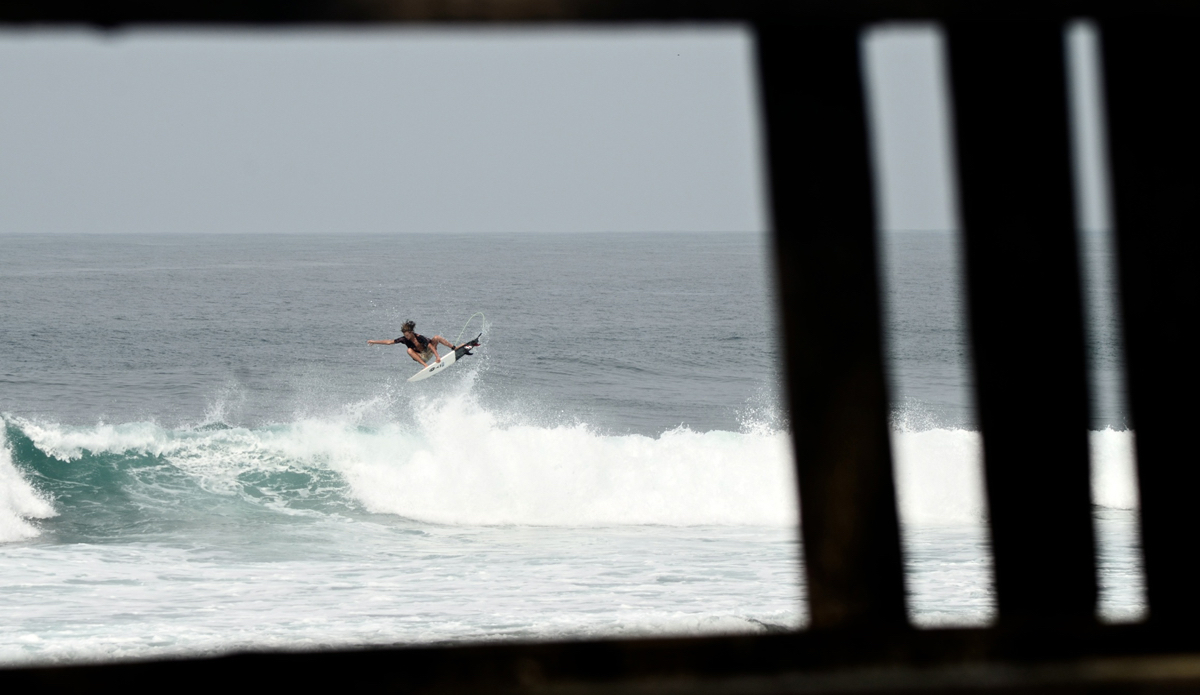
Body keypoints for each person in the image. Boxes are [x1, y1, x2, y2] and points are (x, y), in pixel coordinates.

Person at [368, 320, 459, 368]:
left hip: (429, 351)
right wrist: (374, 342)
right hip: (421, 357)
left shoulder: (419, 337)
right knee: (409, 350)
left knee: (436, 337)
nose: (406, 337)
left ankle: (454, 348)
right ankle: (425, 366)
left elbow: (430, 346)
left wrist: (437, 357)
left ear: (411, 332)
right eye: (405, 335)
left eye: (407, 335)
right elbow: (389, 342)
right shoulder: (404, 339)